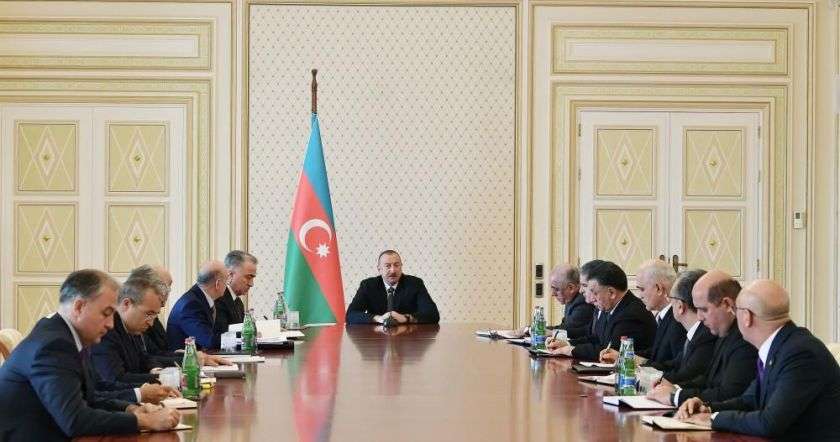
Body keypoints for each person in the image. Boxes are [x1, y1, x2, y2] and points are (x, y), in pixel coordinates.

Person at [0, 269, 179, 441]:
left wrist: (130, 408)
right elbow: (75, 420)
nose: (110, 324)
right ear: (79, 307)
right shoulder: (54, 345)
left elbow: (90, 397)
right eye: (106, 314)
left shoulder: (65, 335)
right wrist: (144, 421)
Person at [677, 280, 840, 440]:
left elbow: (769, 423)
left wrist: (713, 419)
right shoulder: (781, 344)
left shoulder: (800, 353)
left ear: (746, 316)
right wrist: (706, 408)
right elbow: (749, 400)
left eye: (735, 310)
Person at [646, 270, 756, 407]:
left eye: (704, 310)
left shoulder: (744, 339)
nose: (699, 317)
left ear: (727, 305)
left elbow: (729, 393)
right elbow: (708, 380)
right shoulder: (725, 331)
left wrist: (675, 396)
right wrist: (674, 388)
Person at [547, 260, 656, 361]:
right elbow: (595, 338)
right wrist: (567, 344)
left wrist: (571, 350)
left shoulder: (631, 314)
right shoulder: (609, 307)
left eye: (595, 292)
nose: (589, 300)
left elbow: (609, 352)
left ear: (611, 293)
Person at [644, 269, 717, 401]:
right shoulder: (694, 333)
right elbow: (675, 364)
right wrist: (645, 372)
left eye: (671, 299)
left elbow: (689, 373)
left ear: (680, 306)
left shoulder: (706, 335)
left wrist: (667, 386)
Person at [91, 278, 179, 385]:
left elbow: (144, 358)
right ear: (127, 304)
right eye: (149, 314)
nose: (151, 324)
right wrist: (164, 379)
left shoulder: (132, 326)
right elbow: (116, 379)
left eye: (155, 315)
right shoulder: (106, 330)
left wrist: (157, 371)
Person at [601, 260, 682, 365]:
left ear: (659, 289)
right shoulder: (664, 316)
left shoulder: (677, 320)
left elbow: (672, 365)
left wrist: (629, 359)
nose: (640, 296)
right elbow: (656, 352)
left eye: (642, 289)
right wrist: (623, 355)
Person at [346, 250, 440, 324]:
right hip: (377, 338)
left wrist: (406, 318)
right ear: (379, 269)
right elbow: (350, 315)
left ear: (401, 267)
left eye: (396, 265)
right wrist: (378, 318)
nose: (393, 270)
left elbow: (432, 314)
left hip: (408, 337)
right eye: (388, 266)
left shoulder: (415, 284)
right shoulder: (368, 286)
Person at [167, 260, 230, 350]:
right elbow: (209, 341)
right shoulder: (191, 305)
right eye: (226, 282)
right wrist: (240, 339)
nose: (227, 286)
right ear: (218, 284)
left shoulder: (199, 298)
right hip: (184, 358)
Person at [213, 250, 258, 337]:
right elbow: (222, 336)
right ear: (230, 275)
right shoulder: (218, 299)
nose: (251, 284)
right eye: (248, 277)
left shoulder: (238, 302)